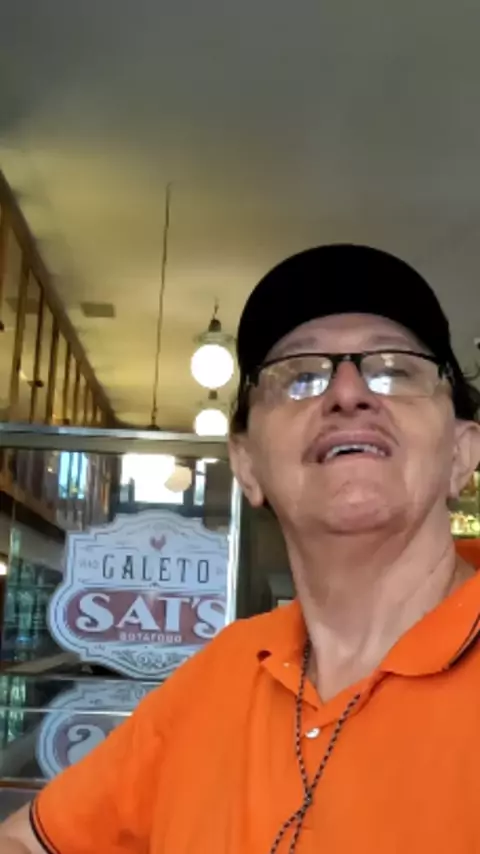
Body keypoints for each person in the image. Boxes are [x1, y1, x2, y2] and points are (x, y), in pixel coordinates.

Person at [2, 243, 480, 854]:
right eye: (300, 377)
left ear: (462, 454)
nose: (348, 392)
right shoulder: (226, 670)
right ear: (246, 464)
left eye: (395, 369)